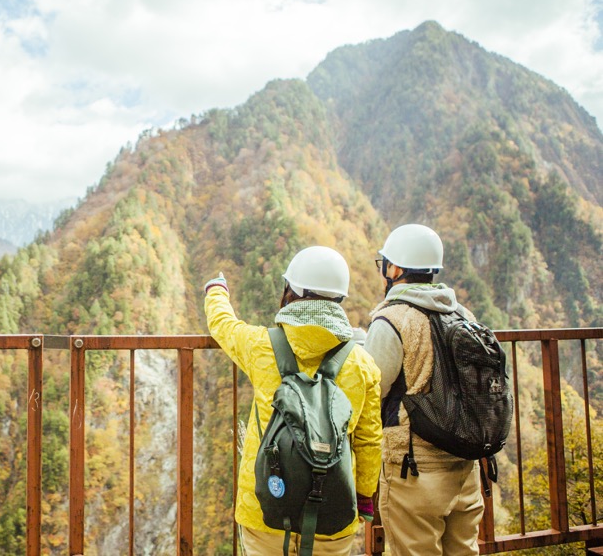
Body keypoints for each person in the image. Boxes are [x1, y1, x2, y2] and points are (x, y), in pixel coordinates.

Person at [204, 246, 383, 556]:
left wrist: (216, 291)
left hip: (266, 508)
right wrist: (364, 496)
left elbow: (223, 325)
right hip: (333, 508)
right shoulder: (362, 363)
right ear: (339, 299)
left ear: (291, 291)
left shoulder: (263, 346)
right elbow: (369, 441)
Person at [364, 223, 484, 555]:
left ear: (396, 268)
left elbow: (371, 390)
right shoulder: (463, 315)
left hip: (414, 470)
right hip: (466, 467)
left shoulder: (391, 320)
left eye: (384, 263)